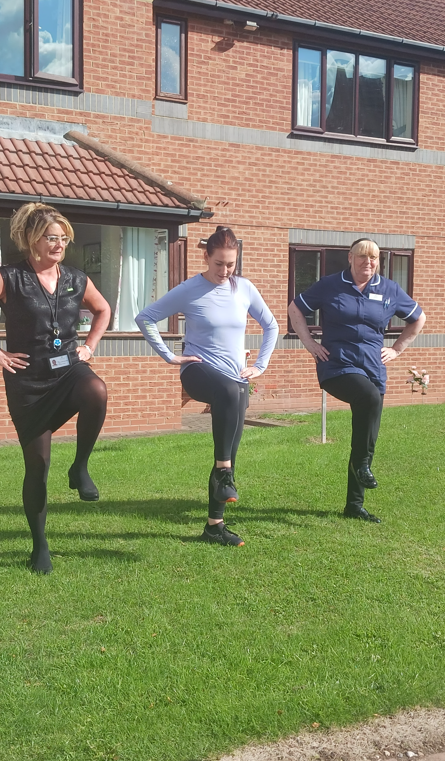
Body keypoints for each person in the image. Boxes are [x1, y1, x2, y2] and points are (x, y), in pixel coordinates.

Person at [0, 203, 112, 574]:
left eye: (63, 238)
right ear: (32, 240)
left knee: (96, 391)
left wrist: (89, 346)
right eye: (51, 238)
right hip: (28, 384)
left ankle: (81, 468)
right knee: (37, 467)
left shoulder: (76, 278)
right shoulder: (10, 277)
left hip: (69, 370)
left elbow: (103, 310)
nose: (59, 244)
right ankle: (40, 546)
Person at [135, 226, 278, 546]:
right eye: (219, 264)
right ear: (206, 257)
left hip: (236, 377)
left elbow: (271, 325)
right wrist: (170, 356)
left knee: (229, 446)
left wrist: (259, 366)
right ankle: (225, 473)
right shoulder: (190, 288)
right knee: (227, 415)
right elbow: (146, 317)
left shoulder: (244, 289)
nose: (225, 271)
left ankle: (215, 525)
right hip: (198, 372)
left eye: (231, 265)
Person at [288, 238, 425, 523]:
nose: (368, 262)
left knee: (366, 437)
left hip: (373, 368)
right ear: (350, 258)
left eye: (373, 258)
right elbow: (295, 308)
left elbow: (418, 318)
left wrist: (397, 349)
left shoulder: (389, 289)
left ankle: (354, 505)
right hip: (337, 365)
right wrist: (310, 344)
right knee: (369, 398)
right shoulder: (329, 285)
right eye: (362, 257)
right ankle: (363, 467)